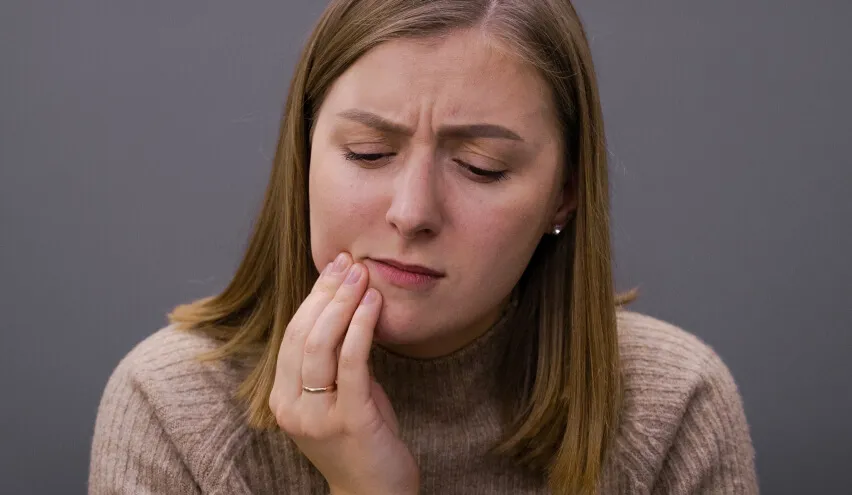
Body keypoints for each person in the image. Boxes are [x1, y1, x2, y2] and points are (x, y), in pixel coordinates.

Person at [88, 0, 758, 494]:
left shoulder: (674, 406)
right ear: (304, 156)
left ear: (564, 194)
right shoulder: (173, 409)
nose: (411, 212)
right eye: (369, 152)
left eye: (482, 166)